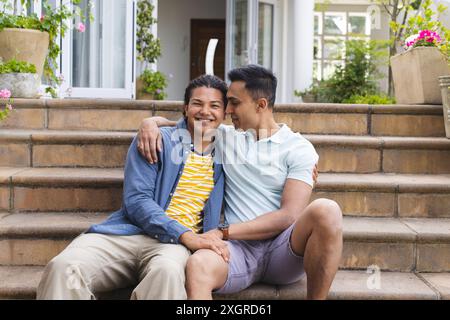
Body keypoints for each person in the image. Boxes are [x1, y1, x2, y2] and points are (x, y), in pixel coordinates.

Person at [137, 65, 343, 300]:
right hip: (237, 251)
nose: (227, 110)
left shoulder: (299, 149)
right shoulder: (225, 137)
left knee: (327, 210)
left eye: (234, 103)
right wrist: (150, 123)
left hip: (283, 250)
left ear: (261, 104)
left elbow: (288, 216)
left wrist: (223, 232)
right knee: (198, 264)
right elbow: (189, 122)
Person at [36, 74, 230, 300]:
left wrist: (153, 119)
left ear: (225, 113)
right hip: (128, 234)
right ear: (185, 108)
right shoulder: (156, 140)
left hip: (173, 247)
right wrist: (152, 123)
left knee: (166, 273)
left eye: (214, 106)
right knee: (64, 268)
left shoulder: (229, 151)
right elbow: (137, 202)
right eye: (197, 103)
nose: (205, 111)